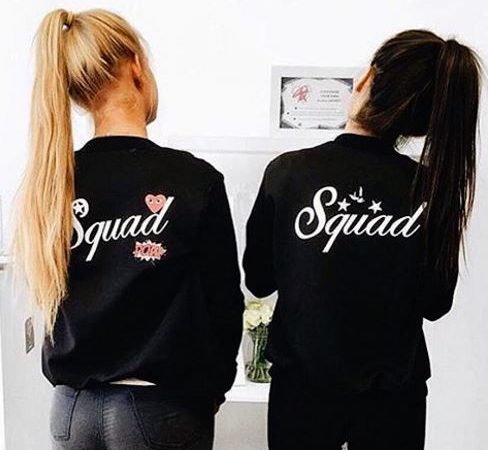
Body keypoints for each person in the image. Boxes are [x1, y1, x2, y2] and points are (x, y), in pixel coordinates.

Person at [12, 9, 244, 449]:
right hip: (160, 409)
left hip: (72, 409)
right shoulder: (193, 180)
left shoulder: (52, 181)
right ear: (136, 65)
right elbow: (224, 304)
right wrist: (212, 388)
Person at [244, 29, 481, 450]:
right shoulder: (431, 187)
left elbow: (259, 280)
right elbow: (435, 303)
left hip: (303, 394)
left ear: (367, 78)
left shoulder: (289, 173)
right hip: (395, 399)